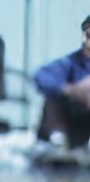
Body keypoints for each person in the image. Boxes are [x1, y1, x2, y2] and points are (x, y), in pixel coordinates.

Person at [34, 15, 90, 147]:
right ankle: (55, 142)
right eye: (87, 36)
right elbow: (42, 77)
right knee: (53, 99)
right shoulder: (72, 62)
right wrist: (72, 90)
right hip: (75, 116)